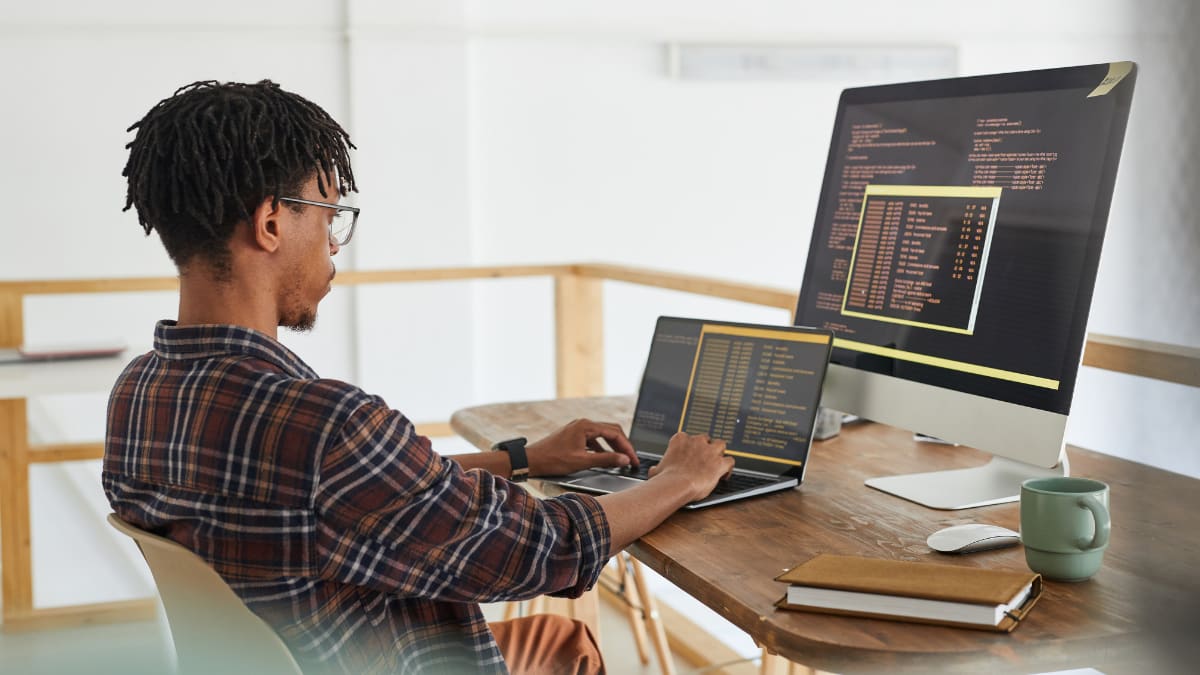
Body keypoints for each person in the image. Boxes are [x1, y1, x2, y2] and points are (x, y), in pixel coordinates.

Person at [105, 79, 733, 675]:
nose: (333, 244)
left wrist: (520, 457)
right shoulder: (327, 424)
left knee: (557, 642)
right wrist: (679, 479)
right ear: (271, 223)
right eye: (328, 217)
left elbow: (350, 498)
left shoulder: (138, 393)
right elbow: (543, 548)